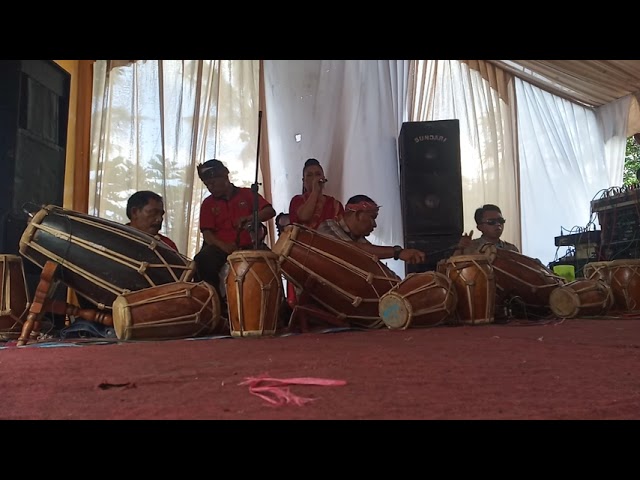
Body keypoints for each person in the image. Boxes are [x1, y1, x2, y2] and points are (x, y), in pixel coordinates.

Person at [193, 159, 276, 298]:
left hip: (250, 246)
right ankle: (215, 305)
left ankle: (279, 308)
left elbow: (269, 211)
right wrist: (224, 247)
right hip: (220, 249)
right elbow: (207, 235)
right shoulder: (208, 203)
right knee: (202, 260)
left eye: (213, 182)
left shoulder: (247, 194)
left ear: (225, 175)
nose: (210, 187)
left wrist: (250, 217)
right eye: (207, 184)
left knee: (272, 264)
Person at [317, 194, 426, 265]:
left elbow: (371, 257)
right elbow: (348, 249)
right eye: (372, 218)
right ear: (359, 215)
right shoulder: (327, 226)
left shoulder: (361, 241)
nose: (375, 225)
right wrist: (397, 252)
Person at [288, 158, 344, 230]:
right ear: (304, 181)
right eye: (309, 175)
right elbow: (304, 217)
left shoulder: (335, 204)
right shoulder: (297, 200)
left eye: (318, 174)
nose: (314, 178)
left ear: (323, 179)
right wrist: (315, 192)